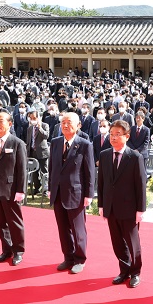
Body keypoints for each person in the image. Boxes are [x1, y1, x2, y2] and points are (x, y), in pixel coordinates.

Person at [97, 120, 147, 288]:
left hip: (129, 208)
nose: (114, 137)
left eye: (118, 134)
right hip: (111, 207)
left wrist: (140, 210)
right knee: (117, 242)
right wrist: (102, 205)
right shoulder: (104, 155)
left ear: (127, 136)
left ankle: (135, 272)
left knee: (133, 243)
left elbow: (140, 185)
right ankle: (124, 270)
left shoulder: (134, 157)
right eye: (111, 134)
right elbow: (102, 182)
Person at [48, 112, 95, 274]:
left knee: (78, 228)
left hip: (76, 193)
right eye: (63, 122)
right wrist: (50, 188)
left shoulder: (84, 144)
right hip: (58, 192)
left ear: (78, 125)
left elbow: (89, 172)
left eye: (69, 122)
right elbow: (52, 168)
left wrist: (89, 194)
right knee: (63, 228)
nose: (65, 125)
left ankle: (80, 259)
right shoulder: (55, 142)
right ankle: (68, 257)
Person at [0, 111, 27, 266]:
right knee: (0, 222)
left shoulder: (17, 143)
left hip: (11, 189)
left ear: (10, 124)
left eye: (1, 121)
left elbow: (22, 169)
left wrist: (21, 190)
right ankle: (6, 249)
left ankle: (18, 251)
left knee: (14, 222)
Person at [26, 108, 50, 196]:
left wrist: (39, 127)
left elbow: (46, 136)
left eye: (34, 118)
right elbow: (29, 141)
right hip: (32, 152)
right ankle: (37, 188)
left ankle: (45, 189)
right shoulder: (29, 128)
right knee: (34, 172)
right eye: (30, 118)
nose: (32, 120)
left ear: (38, 118)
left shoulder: (44, 125)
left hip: (42, 152)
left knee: (44, 171)